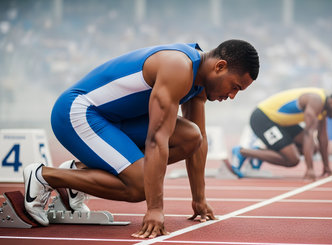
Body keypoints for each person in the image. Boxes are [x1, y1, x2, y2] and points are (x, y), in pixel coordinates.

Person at [22, 40, 260, 238]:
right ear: (219, 66)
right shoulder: (178, 67)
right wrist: (155, 209)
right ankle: (43, 176)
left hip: (115, 121)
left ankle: (78, 173)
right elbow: (157, 140)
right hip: (78, 113)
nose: (231, 96)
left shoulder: (199, 83)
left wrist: (199, 200)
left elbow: (199, 142)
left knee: (191, 137)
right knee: (139, 187)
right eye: (235, 87)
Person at [229, 88, 332, 180]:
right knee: (292, 160)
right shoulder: (316, 100)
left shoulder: (323, 110)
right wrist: (310, 169)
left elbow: (323, 138)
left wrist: (326, 167)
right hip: (263, 118)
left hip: (281, 123)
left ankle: (261, 152)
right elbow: (308, 134)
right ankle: (242, 152)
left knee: (314, 148)